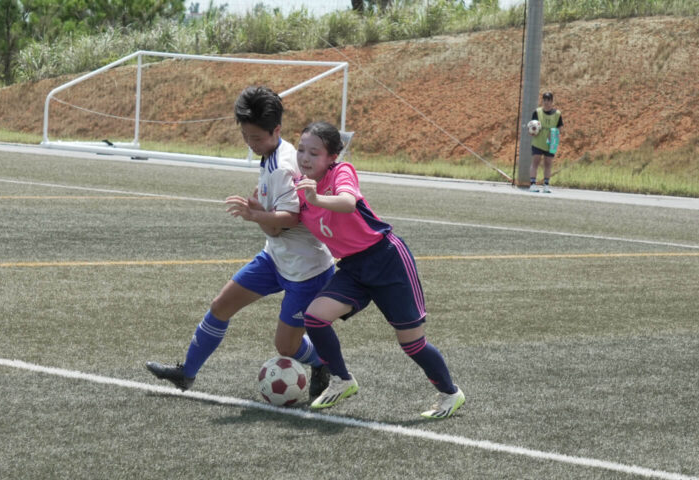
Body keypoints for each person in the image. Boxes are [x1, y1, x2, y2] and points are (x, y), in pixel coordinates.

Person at [145, 86, 335, 399]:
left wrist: (254, 215)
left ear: (276, 130)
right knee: (221, 306)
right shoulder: (271, 154)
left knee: (286, 347)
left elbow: (289, 219)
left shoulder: (283, 166)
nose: (250, 143)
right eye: (245, 136)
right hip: (276, 258)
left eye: (256, 138)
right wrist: (261, 212)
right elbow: (277, 225)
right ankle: (186, 373)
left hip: (306, 271)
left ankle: (323, 362)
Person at [291, 121, 465, 419]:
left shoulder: (341, 172)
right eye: (301, 150)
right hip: (353, 268)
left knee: (412, 344)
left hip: (386, 259)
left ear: (332, 157)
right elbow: (286, 218)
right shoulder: (299, 185)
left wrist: (316, 198)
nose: (305, 158)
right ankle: (342, 379)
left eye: (314, 153)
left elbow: (347, 202)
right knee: (315, 318)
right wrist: (257, 212)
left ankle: (451, 393)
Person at [529, 91, 564, 194]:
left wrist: (554, 132)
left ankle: (546, 185)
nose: (546, 102)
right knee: (535, 162)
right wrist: (532, 131)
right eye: (544, 100)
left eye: (548, 100)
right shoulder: (537, 112)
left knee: (548, 163)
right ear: (542, 101)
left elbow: (560, 127)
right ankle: (532, 184)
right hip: (538, 142)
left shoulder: (557, 114)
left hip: (551, 143)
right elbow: (532, 125)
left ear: (552, 101)